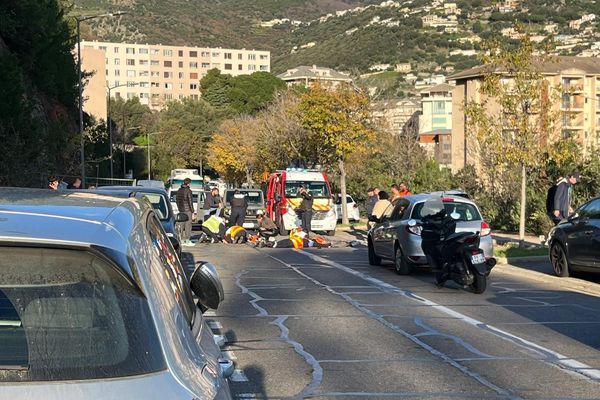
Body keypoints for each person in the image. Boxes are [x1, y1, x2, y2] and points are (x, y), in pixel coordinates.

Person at [176, 178, 196, 246]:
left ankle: (181, 240)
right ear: (188, 183)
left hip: (181, 210)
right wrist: (193, 211)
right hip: (188, 210)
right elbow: (190, 202)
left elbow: (177, 200)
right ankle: (187, 240)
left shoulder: (179, 190)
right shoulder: (188, 191)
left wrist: (179, 208)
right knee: (188, 225)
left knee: (181, 224)